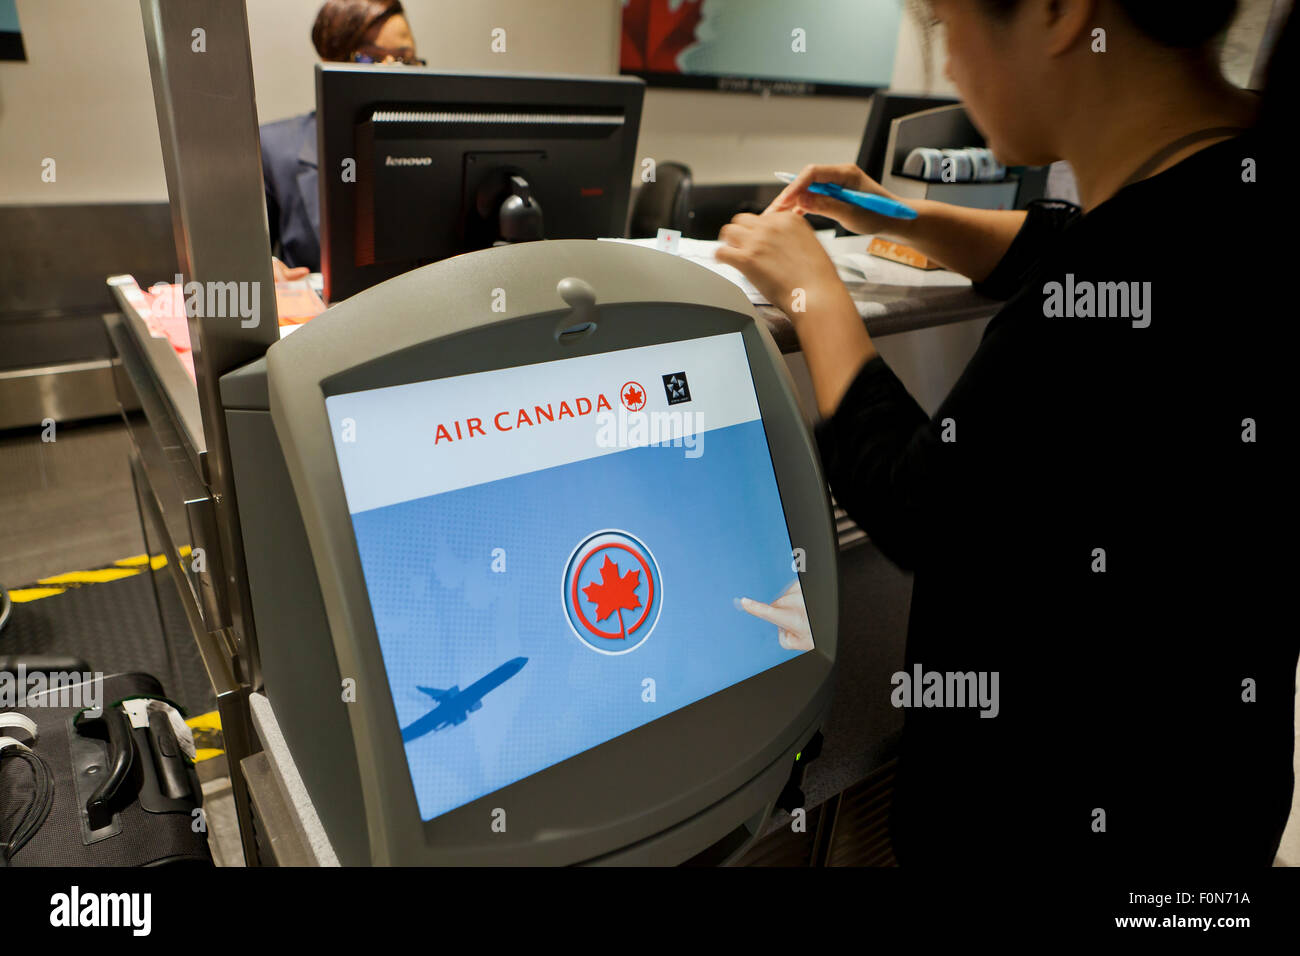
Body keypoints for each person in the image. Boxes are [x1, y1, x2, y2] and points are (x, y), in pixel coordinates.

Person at [717, 0, 1297, 866]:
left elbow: (918, 499)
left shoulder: (1130, 278)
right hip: (1213, 795)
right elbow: (1066, 247)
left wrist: (812, 292)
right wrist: (899, 217)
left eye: (948, 27)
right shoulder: (1236, 182)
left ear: (1060, 13)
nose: (947, 68)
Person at [261, 0, 423, 280]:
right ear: (330, 63)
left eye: (404, 59)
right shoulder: (274, 148)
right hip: (326, 320)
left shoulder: (439, 148)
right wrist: (264, 270)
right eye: (369, 59)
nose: (393, 72)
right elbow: (242, 259)